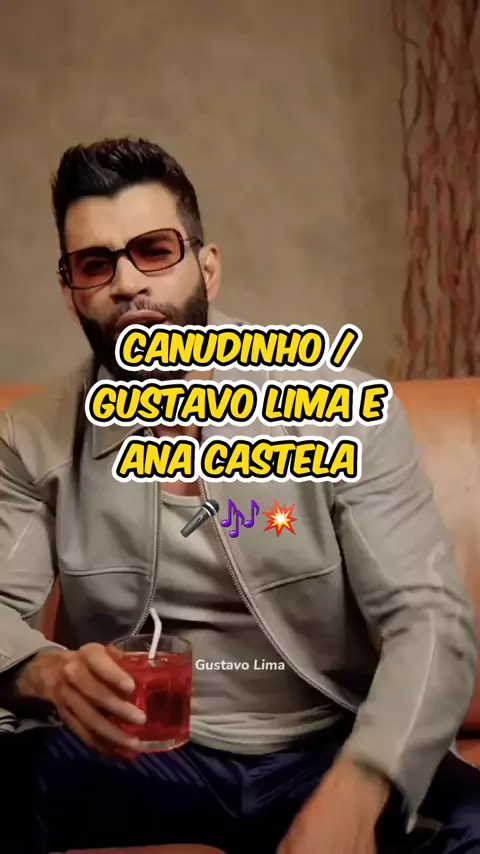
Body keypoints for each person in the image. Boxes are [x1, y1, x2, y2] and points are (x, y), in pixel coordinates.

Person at [0, 137, 478, 854]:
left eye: (153, 251)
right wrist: (48, 671)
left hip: (326, 745)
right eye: (95, 264)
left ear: (207, 268)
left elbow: (430, 620)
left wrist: (361, 784)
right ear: (73, 294)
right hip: (138, 753)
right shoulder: (32, 437)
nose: (126, 283)